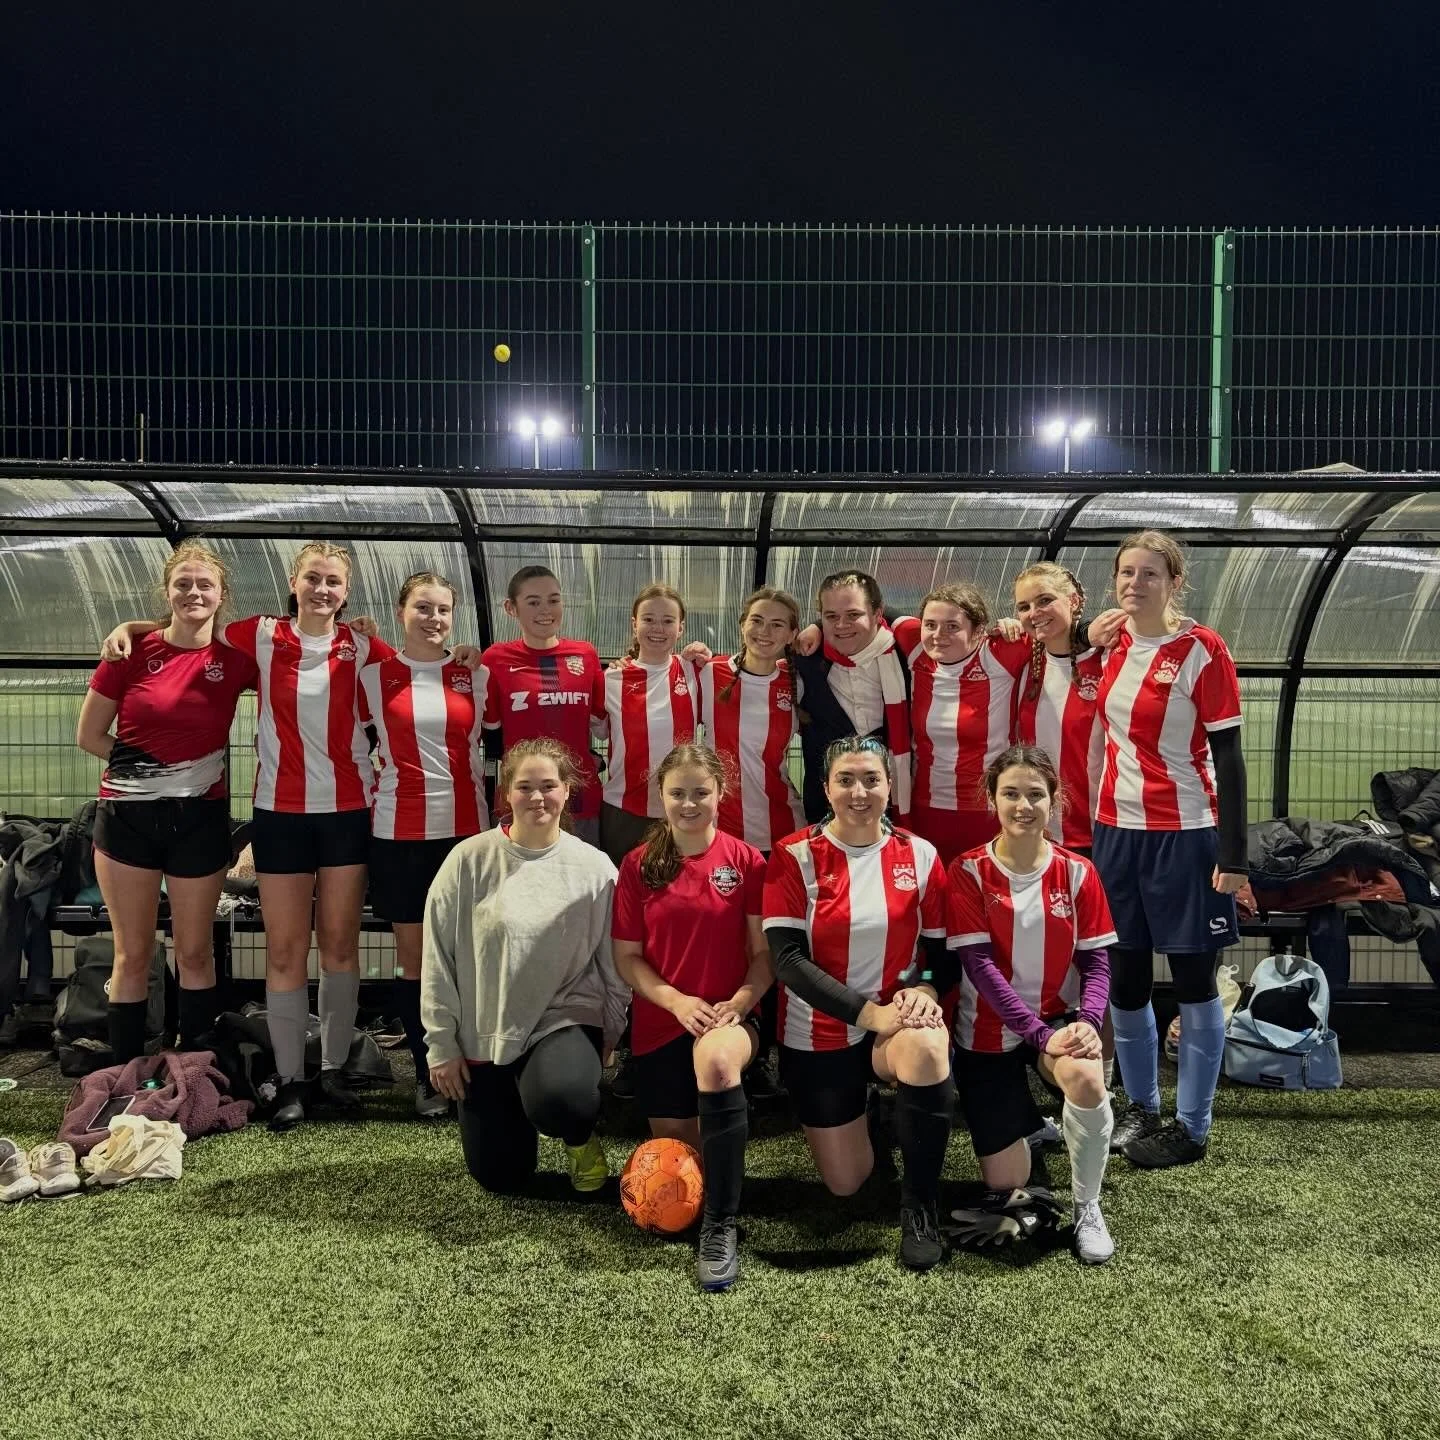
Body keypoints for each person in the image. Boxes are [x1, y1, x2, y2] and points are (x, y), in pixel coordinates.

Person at [103, 542, 394, 1131]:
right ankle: (289, 1080)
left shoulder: (364, 647)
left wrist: (463, 651)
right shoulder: (258, 635)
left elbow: (419, 658)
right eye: (312, 578)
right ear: (293, 581)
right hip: (280, 814)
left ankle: (333, 1071)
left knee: (339, 948)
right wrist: (128, 626)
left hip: (345, 813)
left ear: (347, 590)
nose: (322, 589)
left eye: (334, 582)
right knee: (286, 951)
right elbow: (189, 625)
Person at [763, 735, 954, 1272]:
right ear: (826, 788)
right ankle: (876, 1112)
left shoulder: (920, 855)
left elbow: (940, 954)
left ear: (890, 787)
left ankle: (920, 1205)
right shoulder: (794, 855)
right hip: (819, 1032)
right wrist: (872, 1014)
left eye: (871, 779)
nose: (859, 791)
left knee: (925, 1050)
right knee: (846, 1183)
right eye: (846, 779)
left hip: (894, 1028)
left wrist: (925, 989)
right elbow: (788, 962)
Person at [1091, 530, 1247, 1169]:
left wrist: (1233, 858)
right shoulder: (1114, 641)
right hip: (1114, 832)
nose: (1135, 583)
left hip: (1185, 835)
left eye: (1150, 574)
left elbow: (1231, 759)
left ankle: (1192, 1127)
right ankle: (1140, 1108)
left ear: (1175, 582)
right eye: (1126, 573)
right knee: (1124, 976)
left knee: (1192, 980)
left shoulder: (1202, 650)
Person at [421, 738, 628, 1195]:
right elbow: (437, 957)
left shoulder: (595, 869)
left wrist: (610, 1030)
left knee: (562, 1101)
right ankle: (514, 1102)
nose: (538, 797)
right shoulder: (468, 861)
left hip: (562, 1018)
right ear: (506, 793)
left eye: (549, 785)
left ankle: (576, 1133)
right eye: (525, 786)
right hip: (485, 1032)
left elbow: (613, 964)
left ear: (568, 790)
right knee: (499, 1176)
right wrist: (441, 1045)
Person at [78, 541, 257, 1062]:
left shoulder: (235, 659)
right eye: (183, 584)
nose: (194, 592)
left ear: (221, 596)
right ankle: (127, 1074)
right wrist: (154, 775)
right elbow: (90, 736)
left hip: (200, 821)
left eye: (205, 585)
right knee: (133, 956)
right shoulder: (130, 652)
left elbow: (299, 660)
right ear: (168, 591)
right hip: (127, 821)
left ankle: (196, 1068)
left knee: (195, 952)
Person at [946, 746, 1119, 1264]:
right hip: (987, 1032)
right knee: (1008, 1183)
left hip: (1056, 1021)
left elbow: (1097, 963)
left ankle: (1088, 1206)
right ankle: (1029, 1123)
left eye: (1035, 795)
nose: (1023, 805)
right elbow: (979, 968)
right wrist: (1037, 1034)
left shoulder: (1078, 872)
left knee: (1088, 1079)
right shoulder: (969, 871)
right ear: (993, 800)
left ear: (1055, 801)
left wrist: (1086, 1022)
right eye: (1011, 794)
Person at [611, 743, 770, 1291]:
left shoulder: (746, 862)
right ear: (661, 797)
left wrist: (742, 1003)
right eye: (677, 793)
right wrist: (677, 1002)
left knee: (717, 1060)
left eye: (700, 792)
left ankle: (723, 1228)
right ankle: (714, 1201)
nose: (688, 803)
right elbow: (626, 957)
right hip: (661, 1027)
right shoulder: (639, 865)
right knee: (683, 1163)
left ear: (720, 795)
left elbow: (764, 956)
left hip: (729, 1022)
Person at [358, 571, 489, 1118]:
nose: (434, 619)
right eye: (423, 608)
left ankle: (478, 1070)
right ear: (401, 611)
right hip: (399, 835)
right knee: (414, 961)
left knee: (469, 960)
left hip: (466, 836)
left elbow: (493, 740)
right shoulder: (372, 675)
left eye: (442, 610)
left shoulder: (472, 674)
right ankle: (428, 1074)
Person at [694, 585, 806, 1098]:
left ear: (791, 634)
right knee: (730, 940)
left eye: (778, 624)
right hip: (723, 835)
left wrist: (819, 638)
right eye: (757, 620)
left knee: (778, 942)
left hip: (781, 834)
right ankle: (737, 1040)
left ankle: (779, 1049)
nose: (765, 632)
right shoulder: (706, 672)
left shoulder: (799, 678)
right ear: (742, 623)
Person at [900, 583, 1035, 866]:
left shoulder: (1000, 653)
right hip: (925, 808)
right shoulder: (914, 646)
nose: (938, 635)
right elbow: (868, 613)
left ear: (978, 630)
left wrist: (1020, 623)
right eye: (931, 624)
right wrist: (813, 627)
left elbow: (1056, 630)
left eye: (952, 626)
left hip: (987, 810)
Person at [481, 565, 606, 845]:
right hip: (521, 800)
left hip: (579, 798)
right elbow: (488, 731)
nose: (545, 610)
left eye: (553, 599)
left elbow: (603, 724)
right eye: (533, 602)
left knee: (582, 885)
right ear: (511, 608)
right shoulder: (495, 659)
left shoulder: (585, 654)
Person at [788, 572, 912, 826]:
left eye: (853, 615)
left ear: (879, 615)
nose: (841, 625)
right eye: (831, 617)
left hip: (895, 805)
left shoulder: (908, 653)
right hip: (824, 810)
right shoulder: (804, 657)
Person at [598, 584, 698, 867]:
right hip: (623, 810)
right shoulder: (610, 680)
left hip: (680, 810)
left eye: (668, 621)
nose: (658, 628)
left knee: (676, 900)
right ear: (634, 625)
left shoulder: (695, 671)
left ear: (681, 628)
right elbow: (594, 730)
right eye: (649, 619)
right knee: (622, 897)